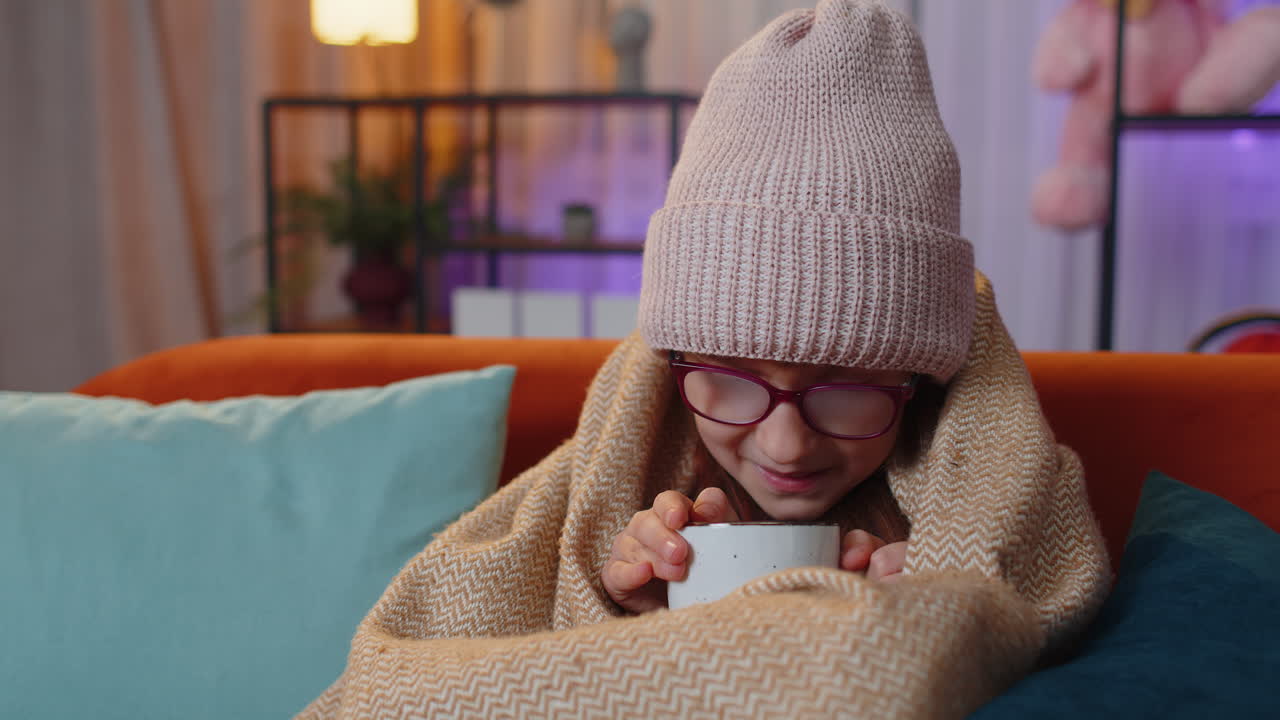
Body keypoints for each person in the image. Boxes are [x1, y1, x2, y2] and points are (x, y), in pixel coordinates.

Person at [300, 3, 1110, 716]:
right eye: (730, 381)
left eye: (848, 392)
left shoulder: (1005, 491)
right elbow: (396, 684)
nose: (786, 446)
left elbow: (1046, 609)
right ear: (675, 363)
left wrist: (947, 625)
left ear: (921, 382)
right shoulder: (629, 504)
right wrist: (631, 619)